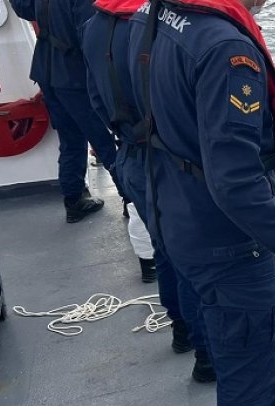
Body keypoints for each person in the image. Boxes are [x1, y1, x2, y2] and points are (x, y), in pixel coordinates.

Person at [127, 1, 275, 406]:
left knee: (224, 339)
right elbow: (234, 182)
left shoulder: (151, 13)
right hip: (226, 242)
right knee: (249, 375)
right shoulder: (227, 49)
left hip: (173, 209)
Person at [79, 0, 215, 382]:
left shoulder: (93, 26)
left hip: (131, 156)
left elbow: (94, 98)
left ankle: (182, 330)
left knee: (165, 249)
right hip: (169, 161)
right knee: (194, 257)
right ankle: (207, 355)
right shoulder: (156, 25)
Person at [9, 0, 120, 223]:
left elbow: (24, 9)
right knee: (104, 141)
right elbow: (90, 36)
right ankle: (132, 200)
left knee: (70, 139)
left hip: (47, 71)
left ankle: (74, 200)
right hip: (74, 76)